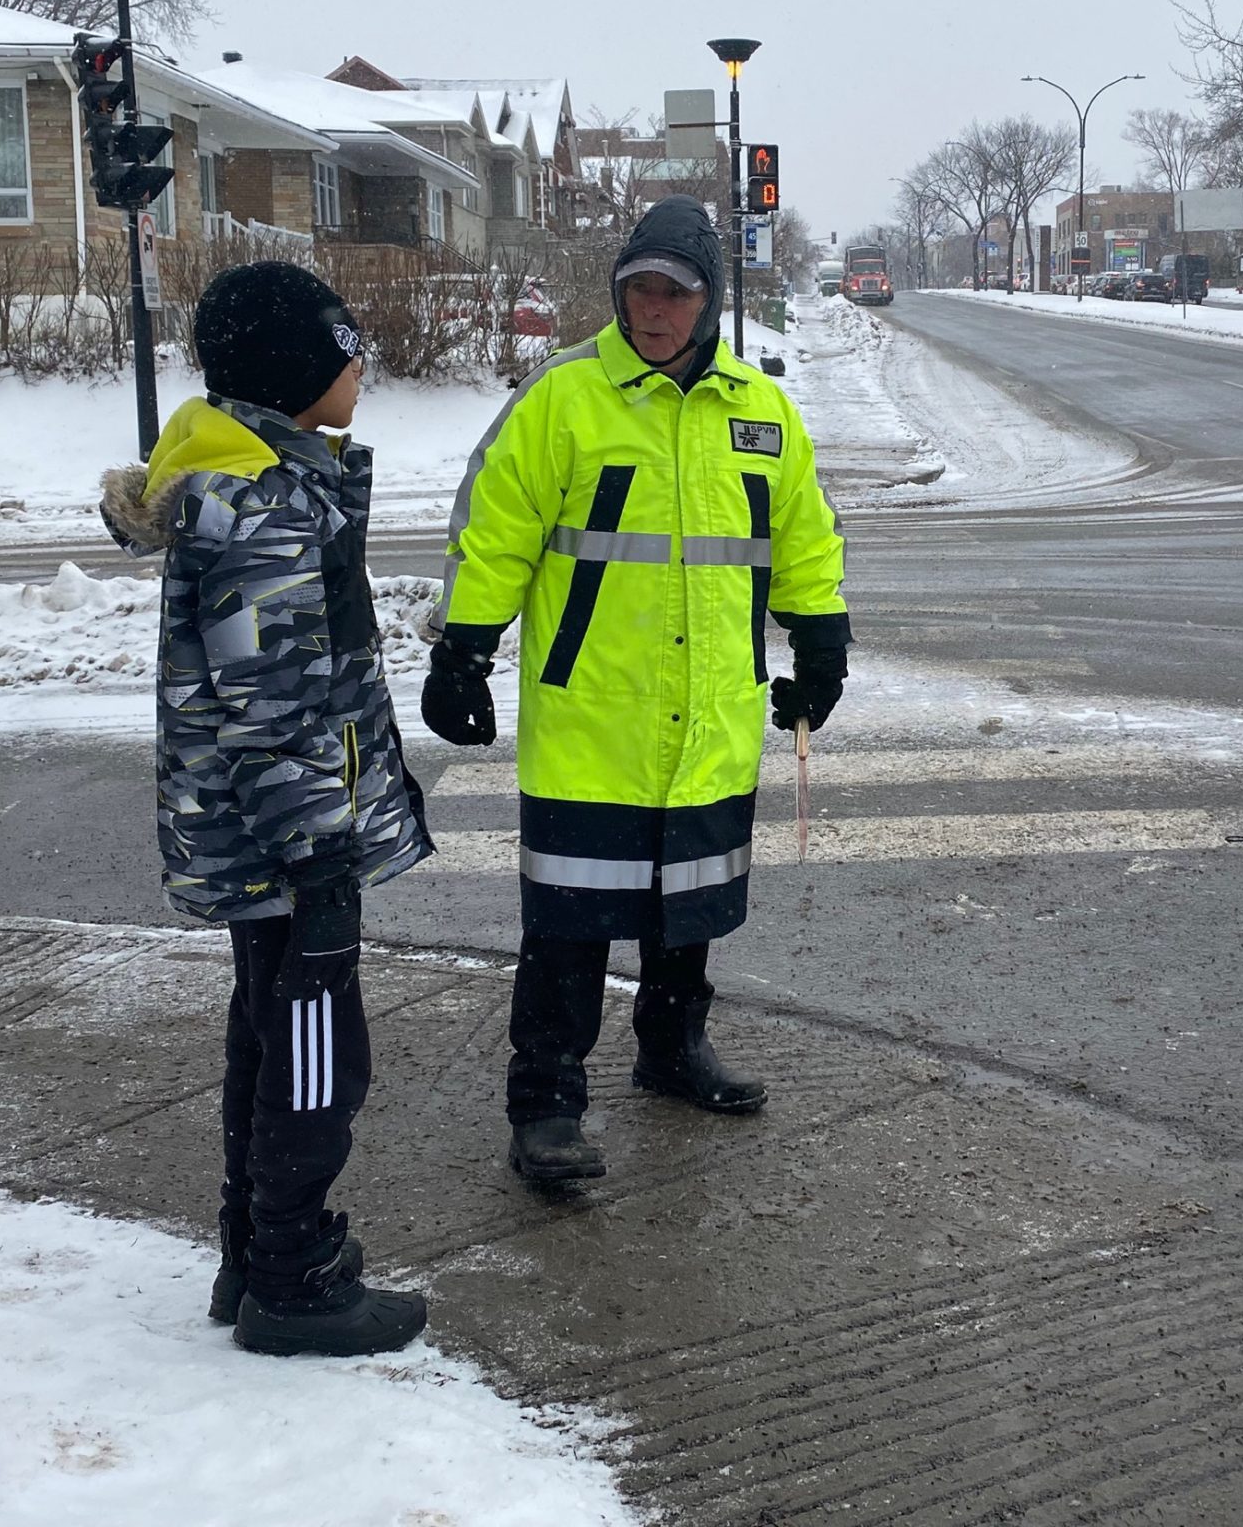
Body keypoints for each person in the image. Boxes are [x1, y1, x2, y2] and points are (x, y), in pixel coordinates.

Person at [419, 195, 850, 1186]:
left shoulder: (759, 409)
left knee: (685, 912)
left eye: (676, 292)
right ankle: (546, 1105)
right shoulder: (565, 397)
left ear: (708, 300)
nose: (653, 310)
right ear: (618, 292)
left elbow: (803, 539)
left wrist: (820, 646)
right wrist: (462, 653)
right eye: (638, 290)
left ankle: (669, 1052)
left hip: (710, 714)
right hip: (592, 717)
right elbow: (495, 531)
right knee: (569, 923)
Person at [100, 260, 433, 1357]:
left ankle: (254, 1254)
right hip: (291, 848)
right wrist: (322, 858)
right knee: (316, 1050)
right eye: (345, 349)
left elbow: (292, 694)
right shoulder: (266, 510)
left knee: (272, 1029)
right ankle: (292, 1277)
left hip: (270, 842)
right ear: (298, 372)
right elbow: (275, 709)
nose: (360, 367)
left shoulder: (267, 483)